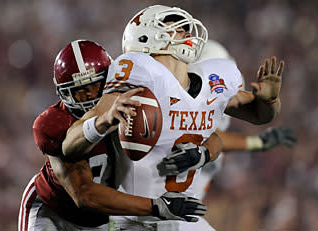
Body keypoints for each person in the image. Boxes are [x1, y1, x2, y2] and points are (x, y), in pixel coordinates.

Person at [63, 5, 284, 231]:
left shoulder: (212, 81)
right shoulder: (139, 75)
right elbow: (69, 145)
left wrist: (269, 100)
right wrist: (105, 119)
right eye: (174, 24)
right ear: (146, 35)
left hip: (179, 216)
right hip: (133, 220)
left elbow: (260, 116)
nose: (187, 32)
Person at [18, 40, 209, 231]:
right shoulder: (53, 123)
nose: (90, 97)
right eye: (79, 92)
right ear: (64, 94)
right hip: (53, 212)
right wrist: (155, 206)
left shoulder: (136, 102)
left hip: (104, 218)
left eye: (96, 85)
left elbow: (205, 133)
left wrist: (201, 151)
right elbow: (84, 195)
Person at [184, 40, 297, 199]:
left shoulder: (218, 96)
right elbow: (203, 134)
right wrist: (257, 143)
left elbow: (261, 115)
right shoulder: (176, 100)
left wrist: (270, 100)